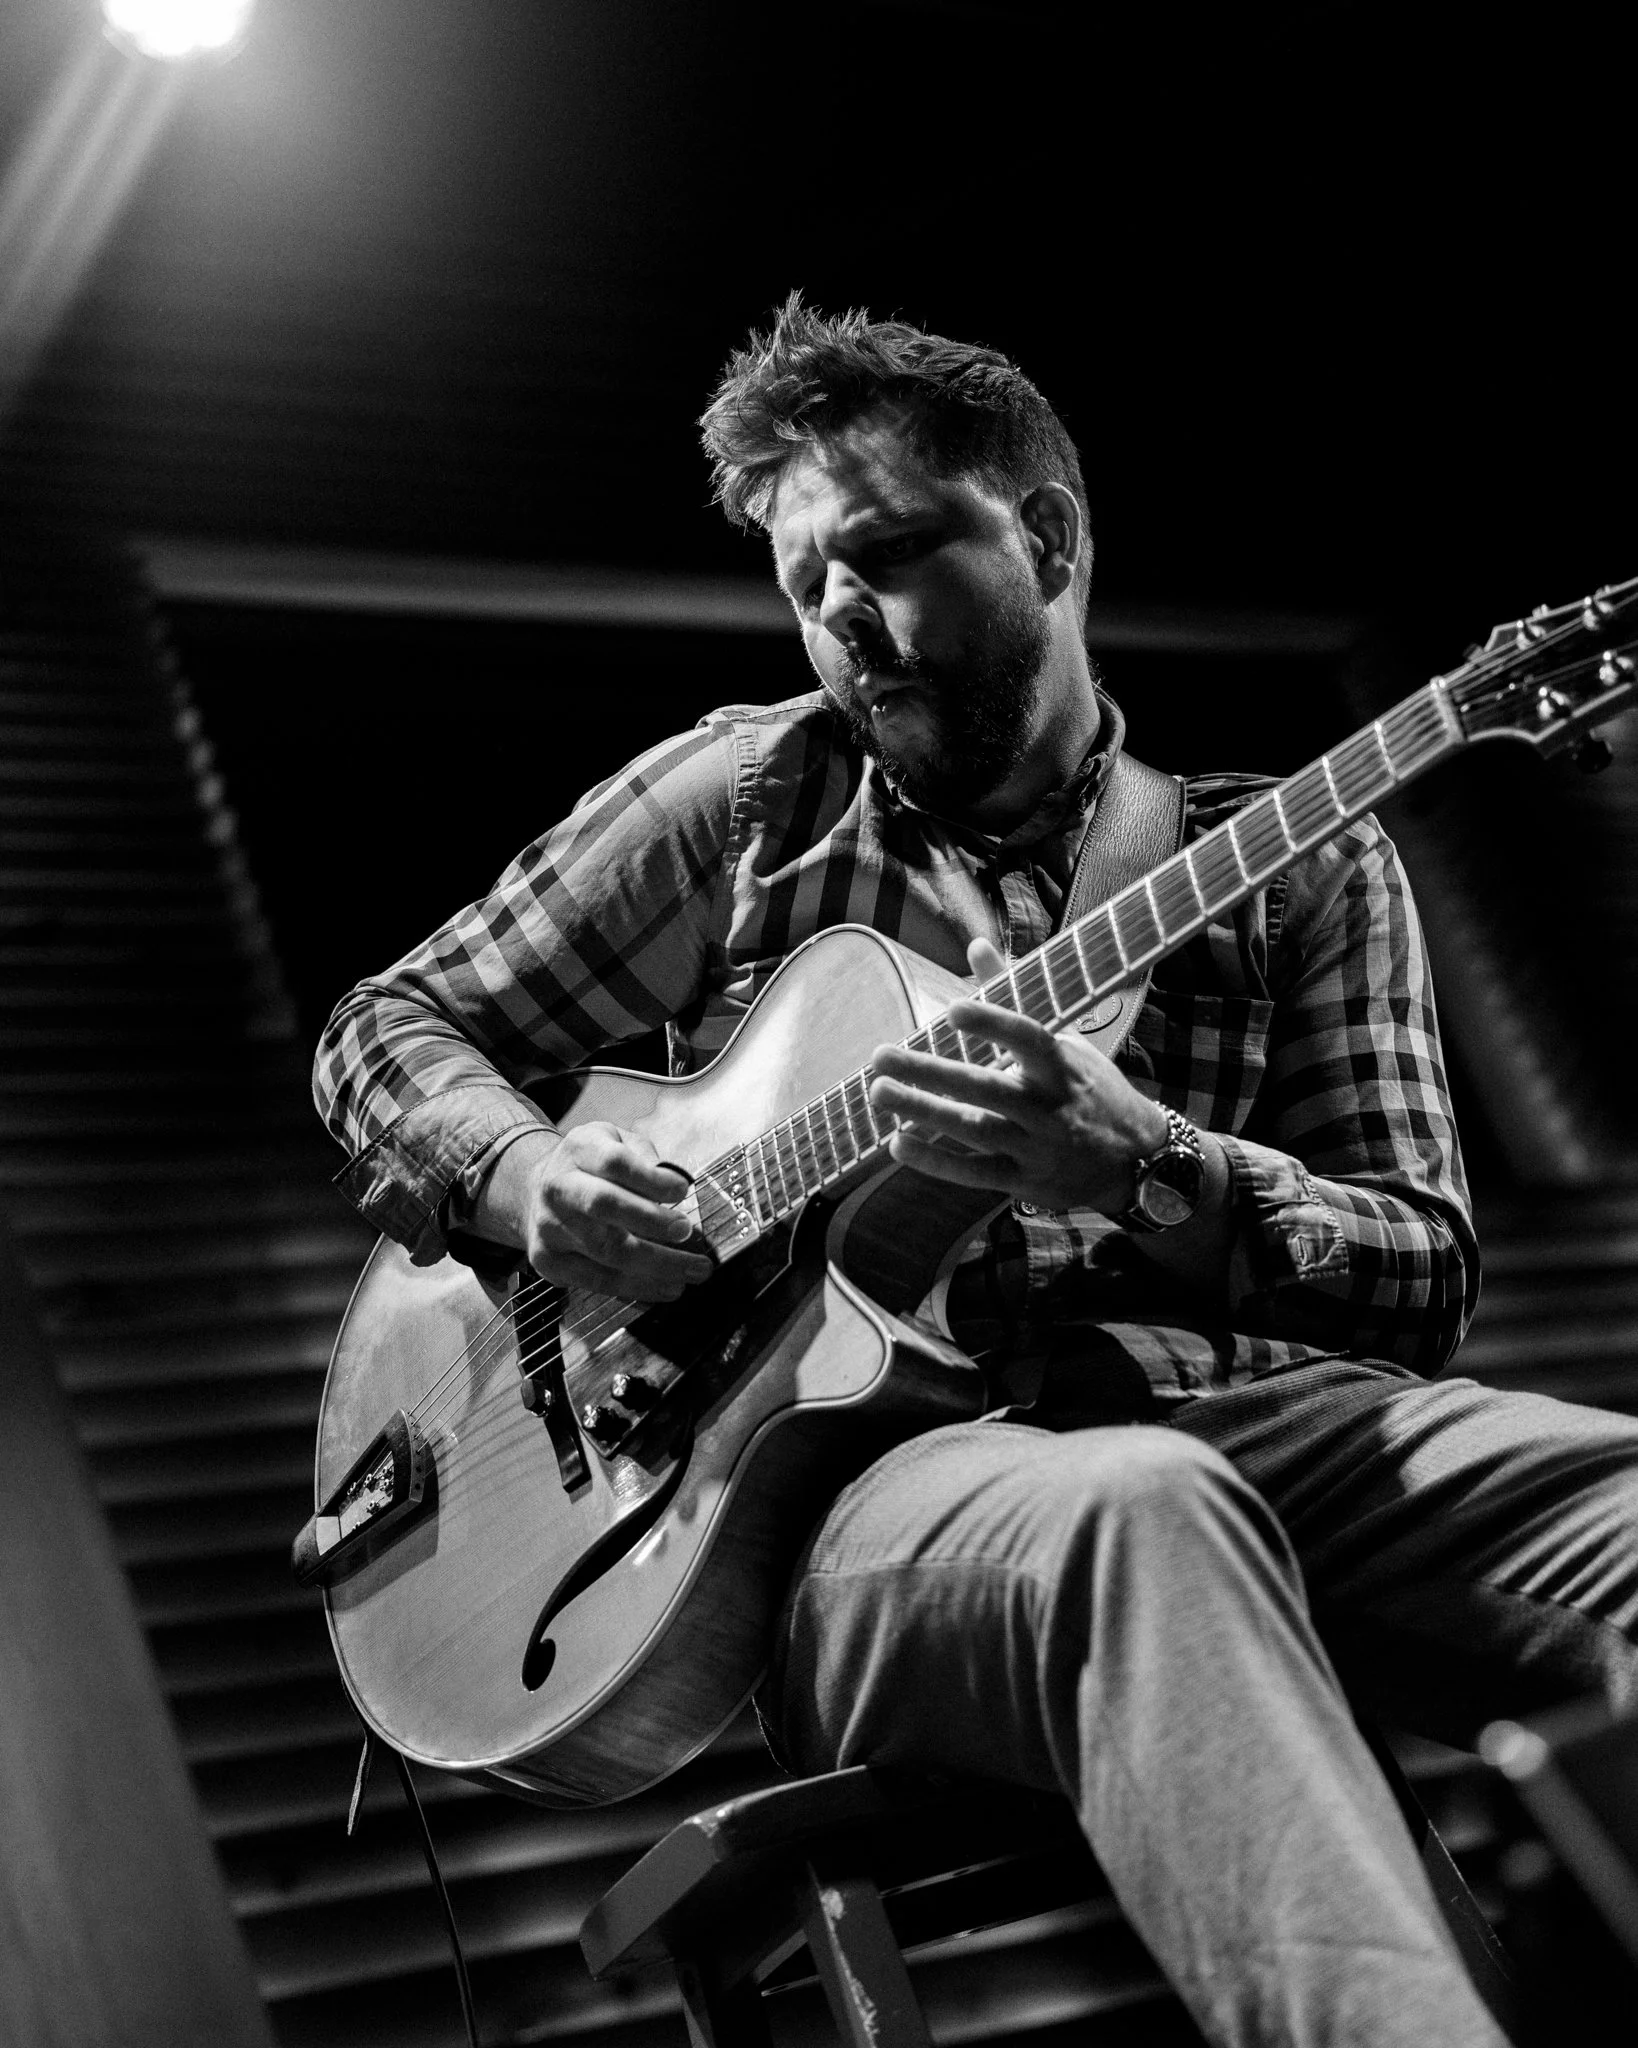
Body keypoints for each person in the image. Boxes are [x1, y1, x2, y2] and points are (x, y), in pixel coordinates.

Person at [314, 298, 1638, 2048]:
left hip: (1249, 1422)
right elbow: (382, 1030)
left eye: (884, 553)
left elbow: (1418, 1290)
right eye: (806, 586)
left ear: (1053, 537)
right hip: (852, 1507)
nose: (843, 618)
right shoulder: (745, 804)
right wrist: (529, 1176)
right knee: (1140, 1516)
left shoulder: (1299, 863)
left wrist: (1153, 1168)